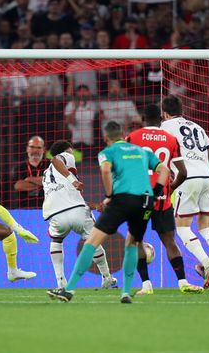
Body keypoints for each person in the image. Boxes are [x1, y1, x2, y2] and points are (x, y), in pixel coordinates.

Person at [47, 121, 169, 303]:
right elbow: (165, 170)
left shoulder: (107, 153)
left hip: (121, 200)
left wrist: (109, 194)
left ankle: (69, 289)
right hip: (145, 201)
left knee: (92, 242)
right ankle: (126, 292)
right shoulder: (144, 152)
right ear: (124, 135)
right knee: (131, 243)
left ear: (106, 138)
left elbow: (105, 170)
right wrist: (157, 192)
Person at [125, 104, 202, 294]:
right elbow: (182, 172)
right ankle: (183, 282)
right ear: (161, 119)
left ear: (143, 119)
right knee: (170, 241)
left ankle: (146, 285)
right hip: (162, 198)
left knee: (135, 241)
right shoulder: (170, 139)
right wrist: (169, 188)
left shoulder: (133, 137)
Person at [160, 96, 209, 288]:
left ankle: (207, 264)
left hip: (187, 178)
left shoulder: (165, 127)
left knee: (183, 228)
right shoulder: (198, 127)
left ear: (164, 113)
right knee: (207, 228)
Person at [42, 140, 117, 289]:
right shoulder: (65, 156)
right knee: (93, 240)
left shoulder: (46, 174)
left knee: (56, 240)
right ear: (68, 150)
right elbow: (55, 159)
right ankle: (107, 277)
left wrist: (94, 205)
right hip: (76, 211)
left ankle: (60, 281)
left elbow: (67, 197)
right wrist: (73, 181)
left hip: (55, 213)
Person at [10, 136, 49, 208]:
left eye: (38, 148)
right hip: (24, 210)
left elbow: (56, 182)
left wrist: (30, 179)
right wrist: (44, 184)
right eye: (32, 147)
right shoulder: (19, 168)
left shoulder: (51, 165)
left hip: (48, 209)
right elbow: (18, 186)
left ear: (43, 150)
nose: (35, 151)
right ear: (27, 149)